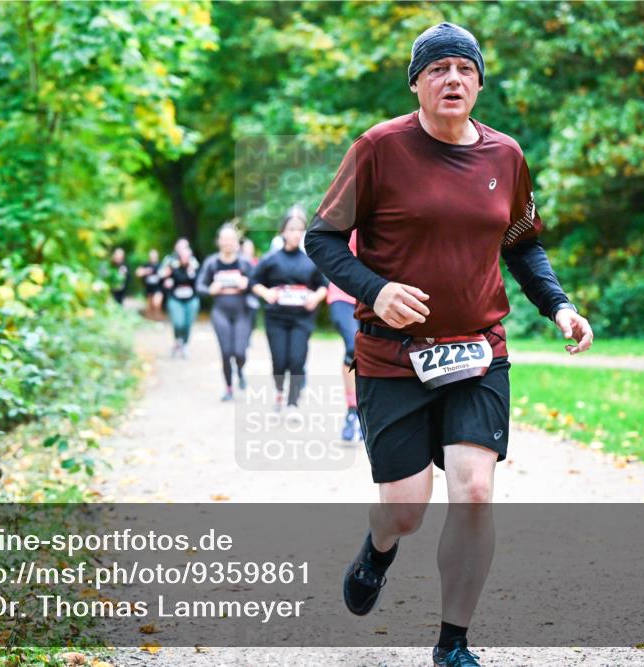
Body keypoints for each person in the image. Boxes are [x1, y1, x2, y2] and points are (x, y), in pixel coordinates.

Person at [304, 22, 593, 667]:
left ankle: (452, 643)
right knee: (405, 511)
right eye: (438, 70)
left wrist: (560, 306)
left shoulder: (506, 157)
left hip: (478, 350)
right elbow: (321, 239)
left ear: (481, 83)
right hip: (392, 356)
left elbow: (522, 242)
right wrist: (375, 291)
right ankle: (379, 549)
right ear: (416, 83)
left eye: (465, 69)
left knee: (474, 492)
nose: (453, 79)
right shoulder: (379, 149)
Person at [250, 206, 328, 422]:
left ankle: (292, 402)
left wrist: (315, 297)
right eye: (291, 229)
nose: (296, 233)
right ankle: (279, 391)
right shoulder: (271, 259)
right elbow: (253, 282)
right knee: (279, 360)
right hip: (276, 317)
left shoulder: (311, 260)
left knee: (296, 360)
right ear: (283, 231)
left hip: (302, 318)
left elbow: (323, 286)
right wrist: (266, 293)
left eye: (300, 230)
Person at [197, 224, 255, 401]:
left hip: (241, 312)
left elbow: (258, 284)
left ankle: (241, 370)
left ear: (236, 242)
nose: (228, 242)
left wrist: (248, 284)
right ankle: (229, 388)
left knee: (240, 352)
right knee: (225, 351)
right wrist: (210, 290)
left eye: (231, 239)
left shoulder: (244, 263)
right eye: (225, 239)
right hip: (220, 312)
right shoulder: (212, 263)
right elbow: (199, 286)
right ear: (219, 241)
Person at [326, 230, 362, 442]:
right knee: (353, 346)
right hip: (343, 294)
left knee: (371, 350)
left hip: (377, 294)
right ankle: (352, 409)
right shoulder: (345, 212)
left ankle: (366, 412)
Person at [159, 240, 200, 359]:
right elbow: (161, 275)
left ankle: (185, 344)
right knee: (178, 323)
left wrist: (193, 272)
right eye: (180, 248)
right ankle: (178, 341)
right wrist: (166, 280)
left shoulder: (194, 263)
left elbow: (200, 279)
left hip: (191, 298)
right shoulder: (170, 261)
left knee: (188, 323)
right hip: (175, 297)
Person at [240, 238, 261, 340]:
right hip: (240, 296)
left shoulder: (257, 262)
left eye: (250, 247)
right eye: (246, 247)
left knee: (251, 318)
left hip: (253, 296)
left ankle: (248, 336)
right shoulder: (237, 261)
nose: (249, 249)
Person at [136, 249, 165, 321]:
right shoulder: (145, 265)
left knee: (157, 304)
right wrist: (146, 271)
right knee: (149, 306)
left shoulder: (161, 265)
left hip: (158, 288)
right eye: (152, 256)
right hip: (148, 288)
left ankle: (158, 319)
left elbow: (166, 273)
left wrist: (162, 274)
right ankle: (150, 320)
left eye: (154, 256)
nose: (153, 257)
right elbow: (138, 273)